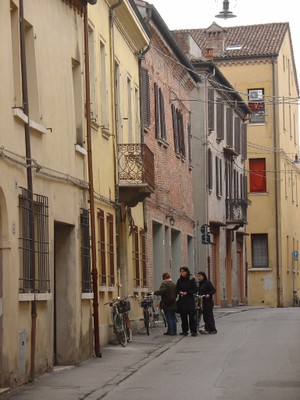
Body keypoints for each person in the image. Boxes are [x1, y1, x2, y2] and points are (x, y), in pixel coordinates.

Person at [176, 266, 198, 336]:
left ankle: (193, 331)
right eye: (181, 271)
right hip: (182, 300)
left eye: (183, 271)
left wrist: (188, 293)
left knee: (191, 317)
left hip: (189, 300)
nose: (182, 273)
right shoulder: (179, 280)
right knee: (183, 316)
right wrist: (180, 292)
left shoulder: (191, 280)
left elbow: (195, 289)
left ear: (186, 272)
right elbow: (177, 289)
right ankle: (185, 330)